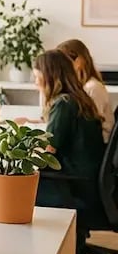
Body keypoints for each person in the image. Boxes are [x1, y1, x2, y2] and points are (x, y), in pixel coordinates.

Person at [32, 50, 105, 216]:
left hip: (73, 187)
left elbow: (48, 151)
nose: (35, 83)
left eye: (38, 77)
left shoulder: (64, 104)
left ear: (50, 77)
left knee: (11, 187)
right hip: (88, 185)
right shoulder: (78, 99)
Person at [57, 39, 114, 143]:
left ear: (79, 61)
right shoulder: (81, 86)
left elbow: (91, 125)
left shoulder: (93, 87)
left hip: (97, 144)